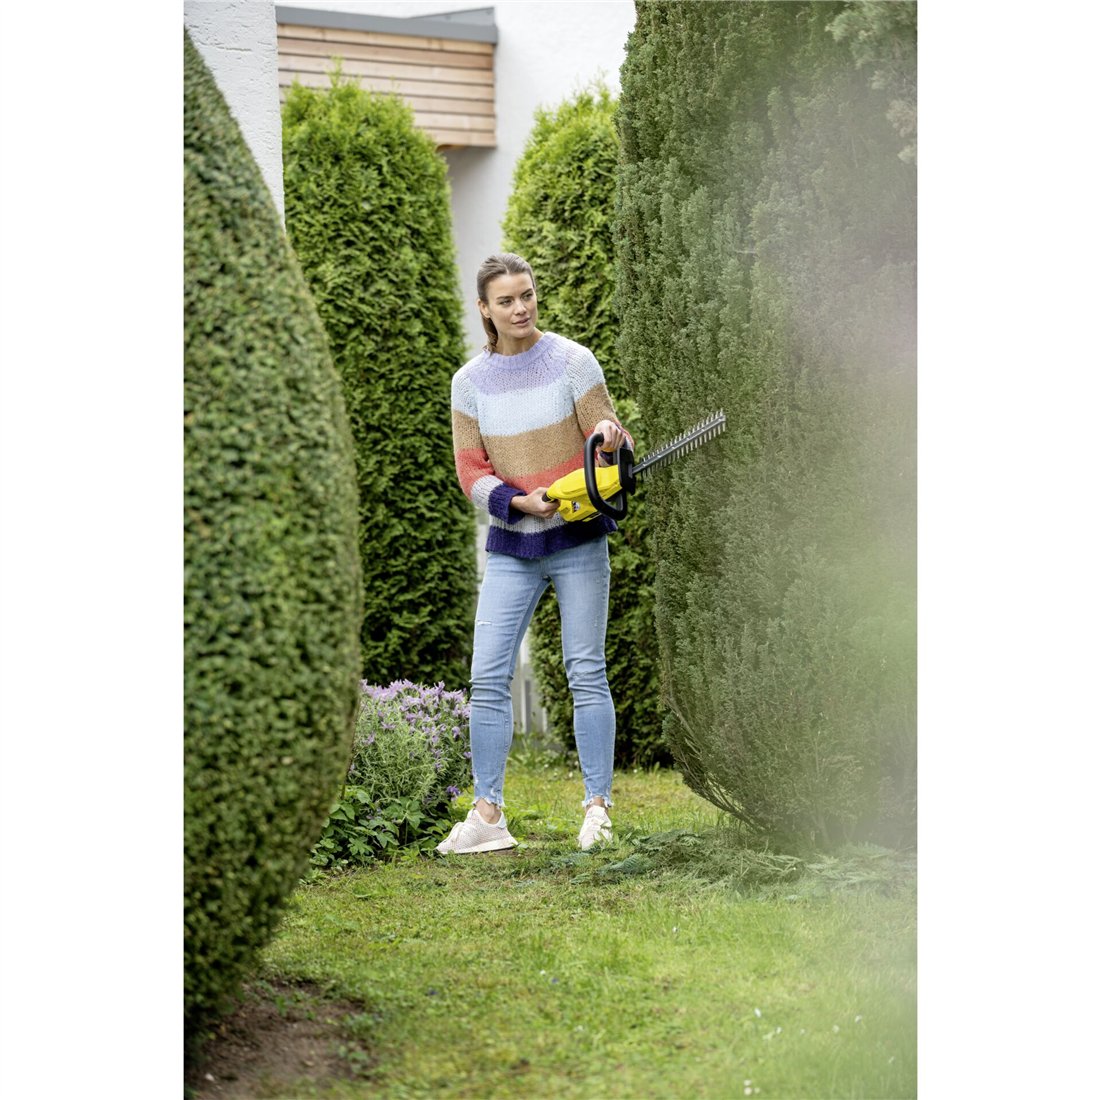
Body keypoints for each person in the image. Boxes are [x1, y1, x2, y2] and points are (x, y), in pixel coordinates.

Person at [438, 253, 633, 856]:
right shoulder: (469, 383)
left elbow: (608, 433)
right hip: (511, 547)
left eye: (527, 295)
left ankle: (597, 809)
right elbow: (470, 471)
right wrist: (517, 502)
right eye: (506, 300)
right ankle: (488, 815)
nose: (520, 308)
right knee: (487, 674)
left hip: (578, 538)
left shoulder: (574, 361)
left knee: (586, 670)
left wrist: (609, 439)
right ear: (485, 308)